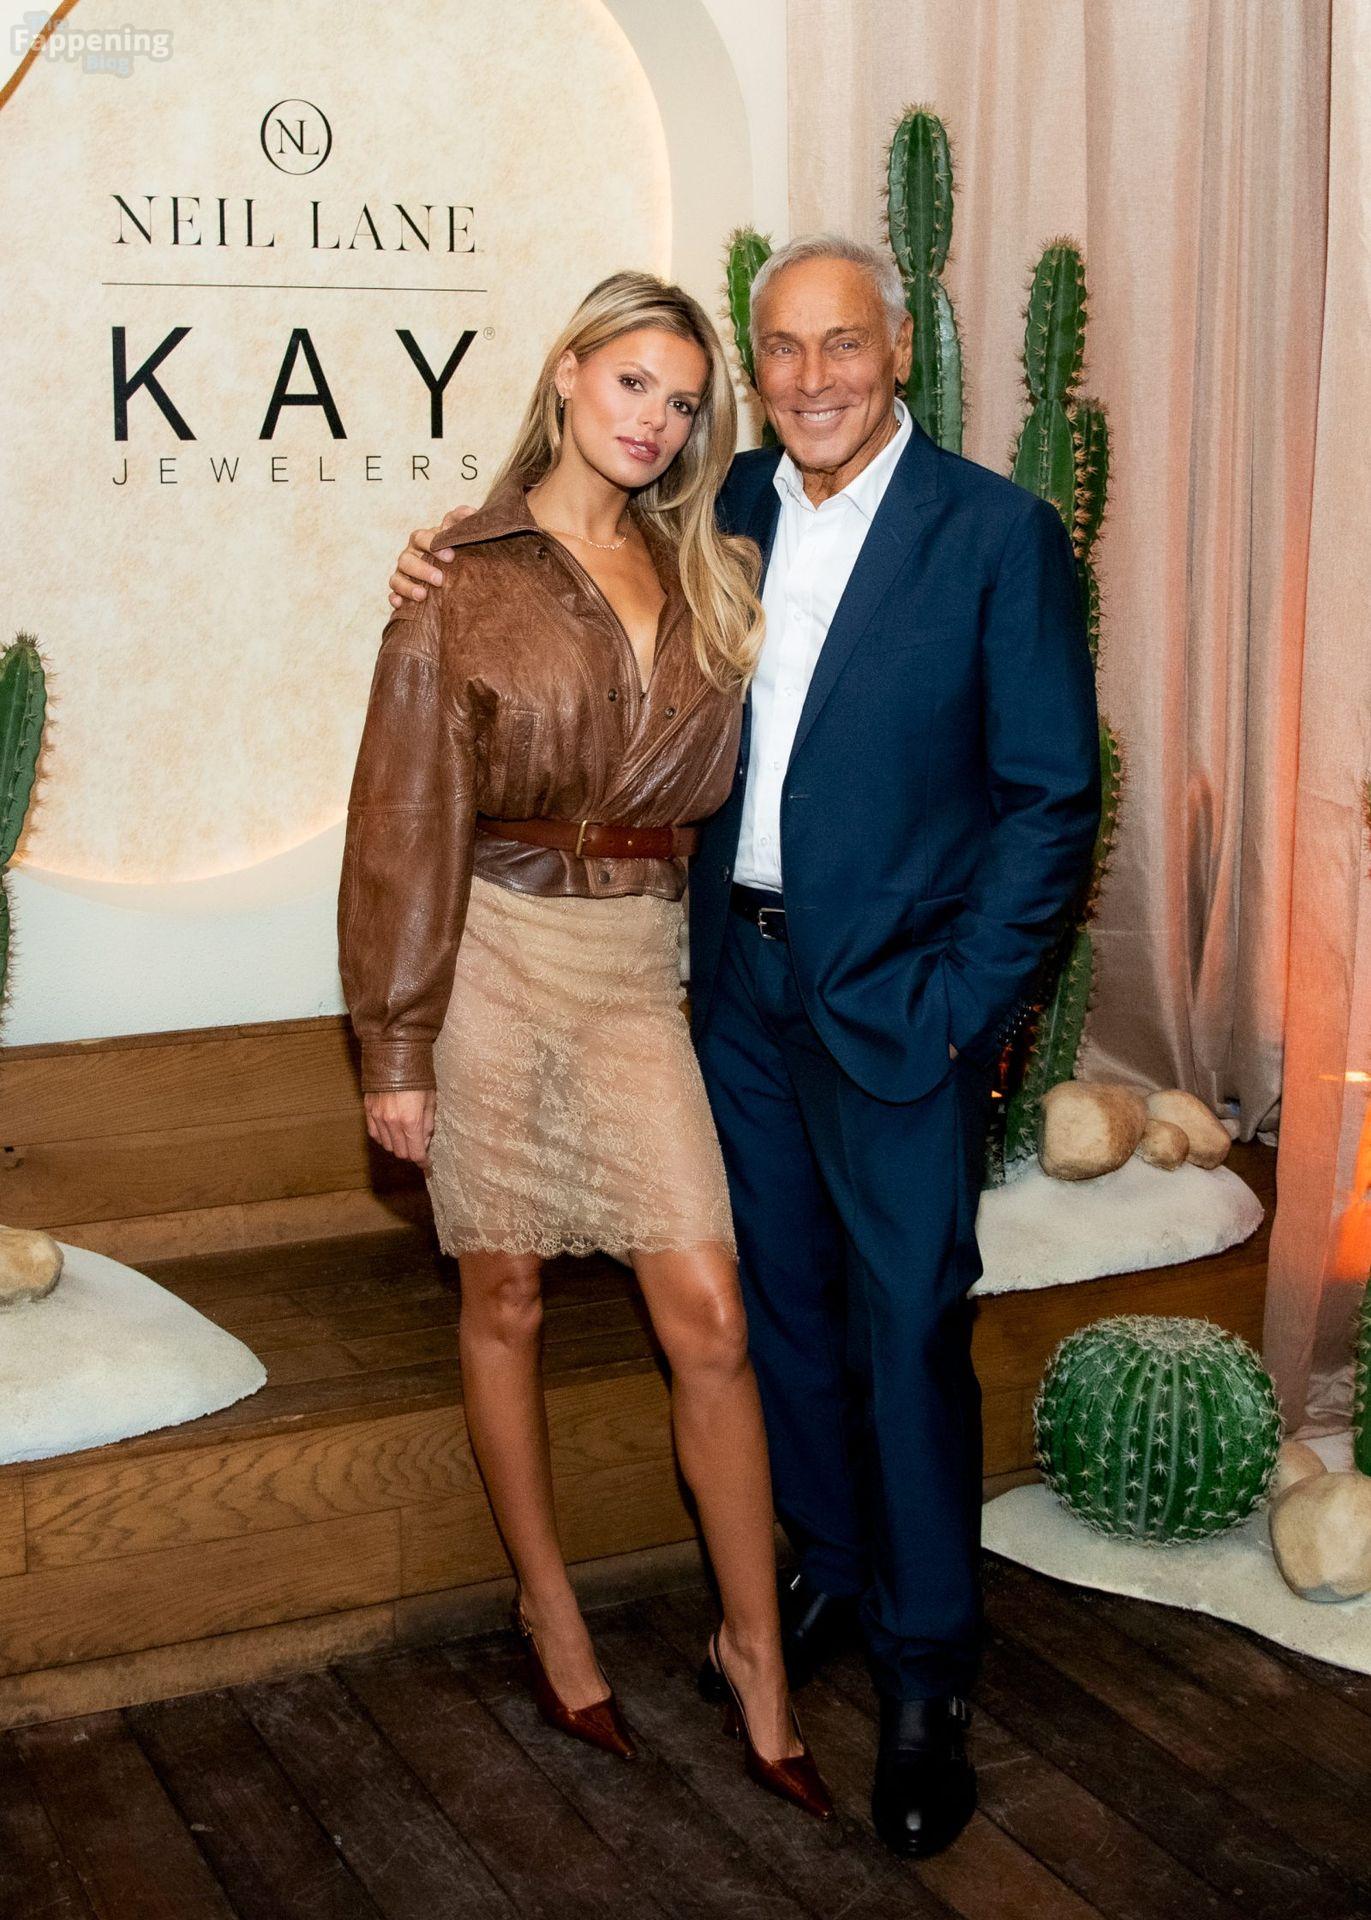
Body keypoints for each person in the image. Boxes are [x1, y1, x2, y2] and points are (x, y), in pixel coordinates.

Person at [386, 234, 1101, 1860]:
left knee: (907, 1327)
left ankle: (927, 1671)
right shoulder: (721, 512)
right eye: (780, 348)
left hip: (900, 1008)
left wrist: (963, 1004)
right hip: (732, 995)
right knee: (777, 1311)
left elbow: (1053, 801)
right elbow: (555, 580)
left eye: (842, 344)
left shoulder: (995, 535)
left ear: (898, 349)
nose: (811, 377)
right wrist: (433, 562)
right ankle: (832, 1567)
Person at [339, 269, 832, 1822]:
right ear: (566, 376)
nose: (656, 421)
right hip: (489, 949)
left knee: (711, 1317)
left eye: (683, 403)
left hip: (635, 970)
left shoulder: (717, 567)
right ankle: (549, 1610)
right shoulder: (461, 578)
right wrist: (395, 1044)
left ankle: (754, 1652)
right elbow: (403, 817)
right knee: (506, 1294)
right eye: (633, 384)